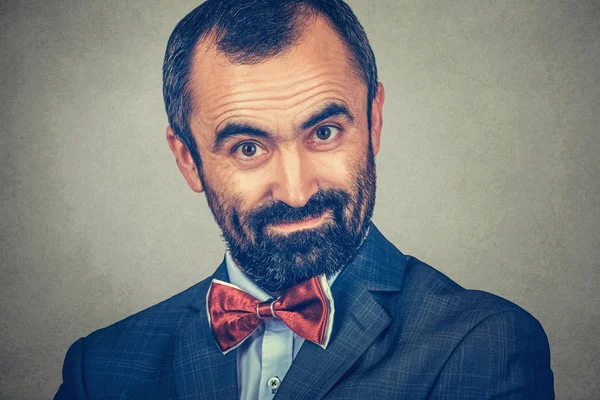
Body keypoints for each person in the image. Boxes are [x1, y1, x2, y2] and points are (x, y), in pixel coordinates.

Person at [55, 0, 554, 398]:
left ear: (373, 121)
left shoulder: (483, 346)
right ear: (188, 160)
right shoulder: (98, 369)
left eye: (325, 131)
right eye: (248, 147)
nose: (296, 192)